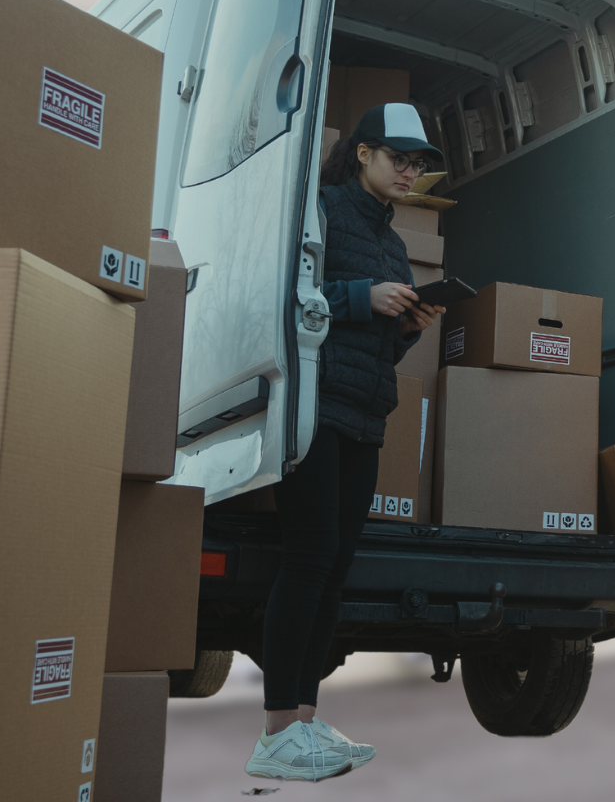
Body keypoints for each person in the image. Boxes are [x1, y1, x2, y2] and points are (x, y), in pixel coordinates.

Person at [246, 102, 446, 781]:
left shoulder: (393, 245)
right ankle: (276, 732)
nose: (409, 172)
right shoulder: (322, 212)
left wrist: (409, 325)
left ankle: (303, 720)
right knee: (308, 559)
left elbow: (379, 350)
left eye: (417, 164)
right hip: (313, 407)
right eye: (398, 158)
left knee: (334, 566)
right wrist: (364, 298)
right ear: (362, 153)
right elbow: (281, 297)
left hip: (365, 415)